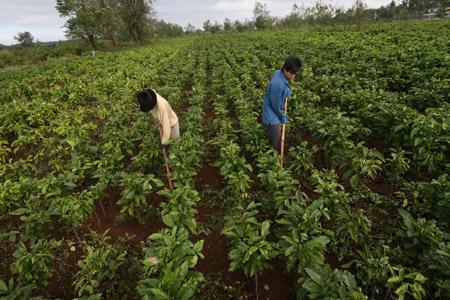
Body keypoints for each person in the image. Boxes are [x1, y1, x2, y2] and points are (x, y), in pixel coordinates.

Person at [262, 56, 302, 153]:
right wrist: (283, 118)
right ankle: (275, 162)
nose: (293, 76)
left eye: (295, 74)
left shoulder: (277, 73)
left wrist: (286, 90)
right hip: (272, 116)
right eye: (291, 73)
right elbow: (276, 106)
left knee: (276, 138)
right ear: (285, 69)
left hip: (272, 109)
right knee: (277, 142)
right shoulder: (278, 85)